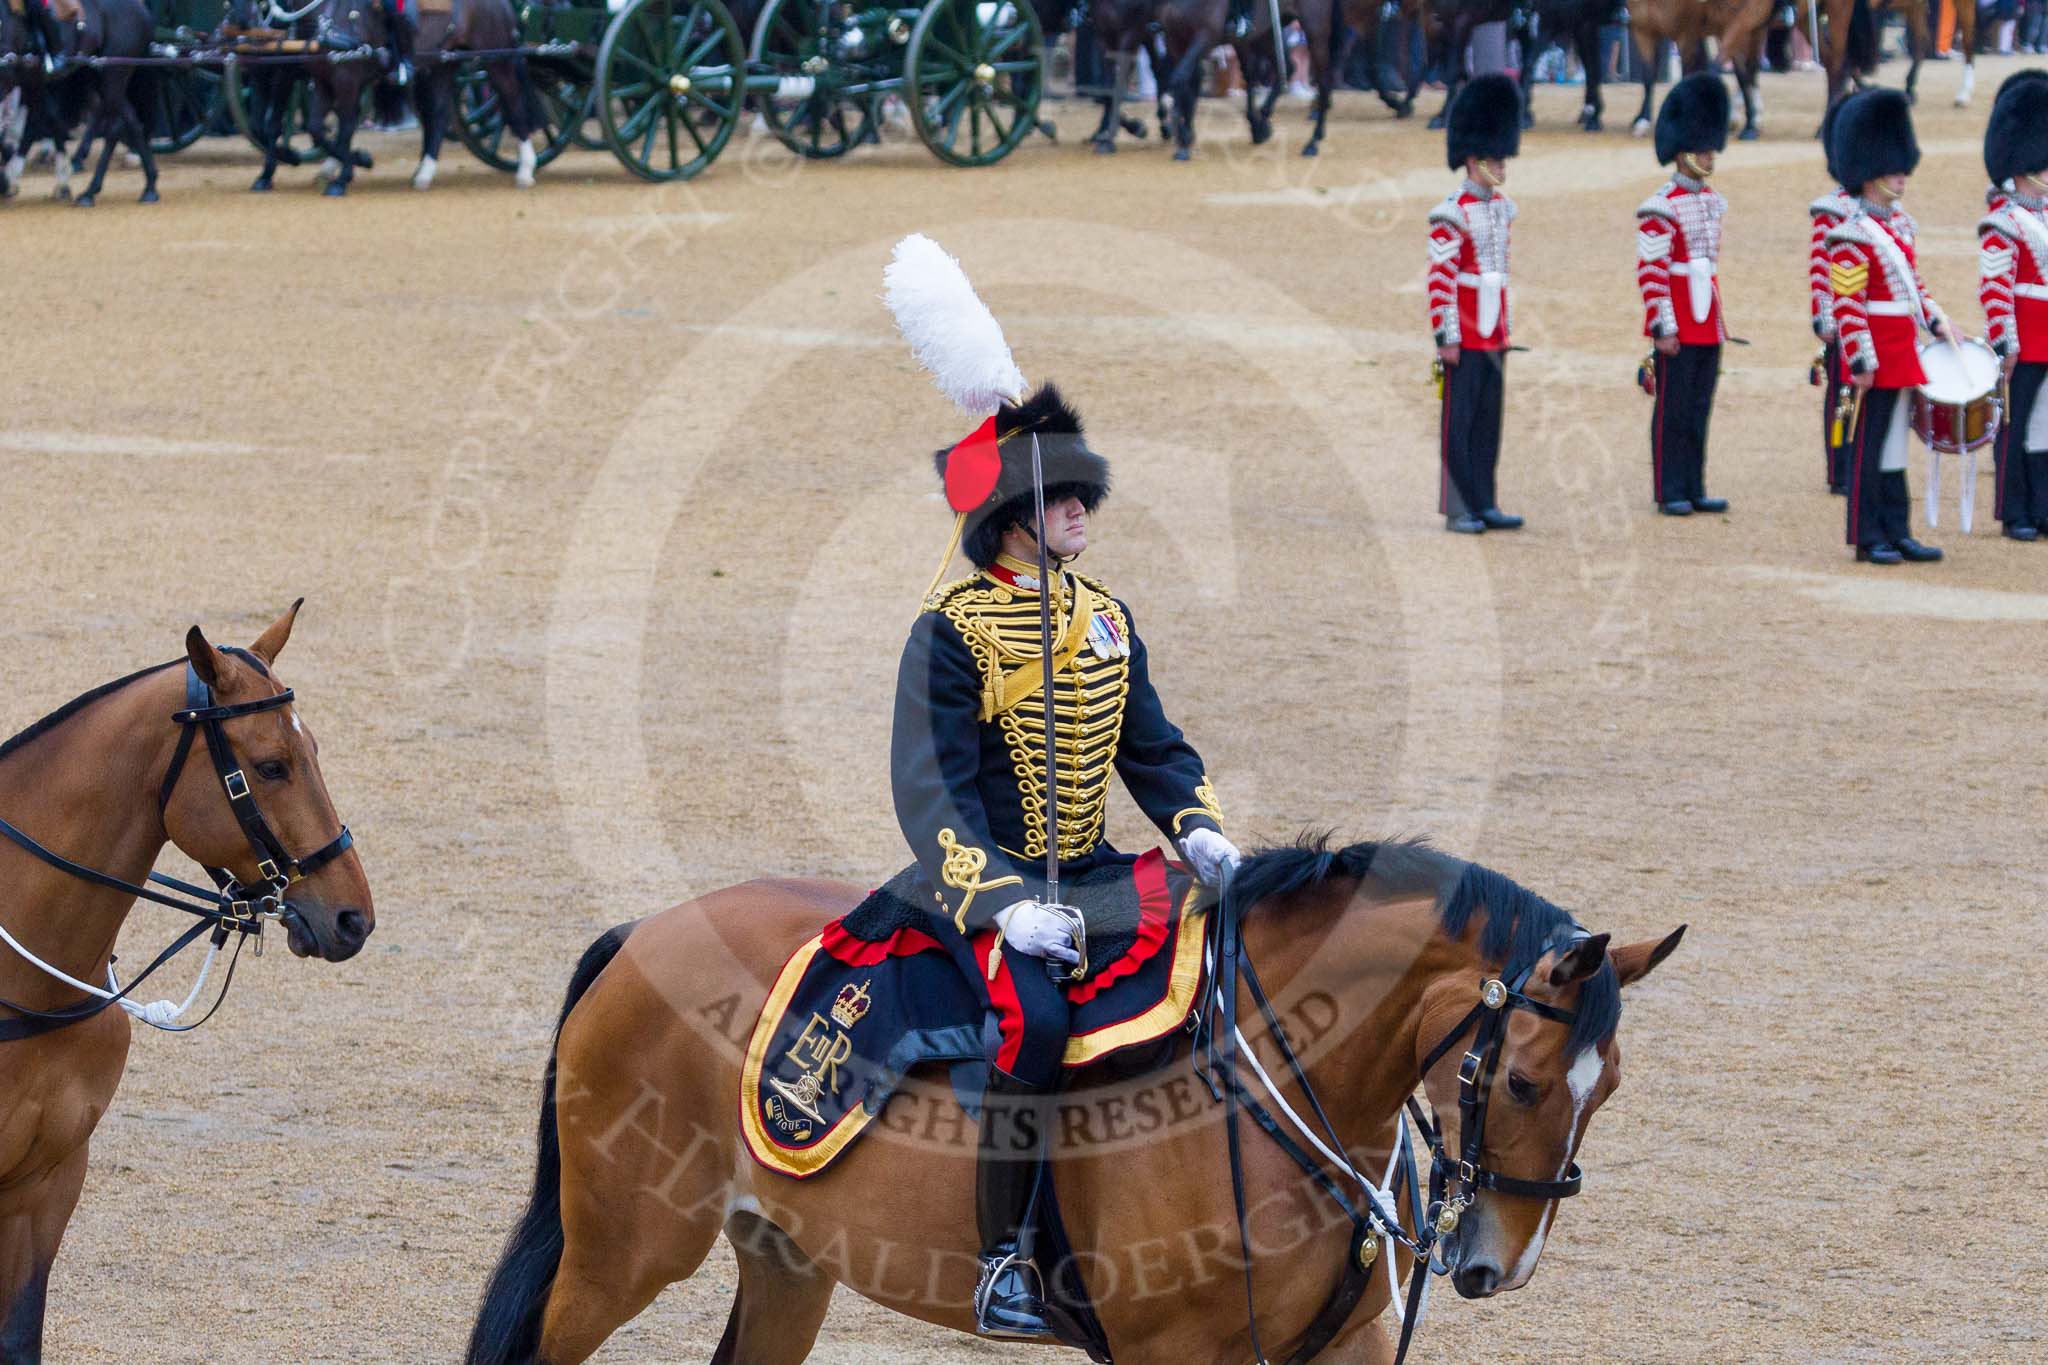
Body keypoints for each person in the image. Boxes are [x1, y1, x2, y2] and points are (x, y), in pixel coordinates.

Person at [891, 386, 1240, 1338]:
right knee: (1035, 1022)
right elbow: (933, 795)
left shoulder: (1108, 616)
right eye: (1059, 497)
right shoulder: (953, 631)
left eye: (1084, 493)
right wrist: (1001, 905)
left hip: (1090, 869)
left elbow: (1154, 749)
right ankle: (1004, 1254)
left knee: (1223, 958)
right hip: (986, 884)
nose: (1081, 507)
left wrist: (1196, 824)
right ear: (1008, 518)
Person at [1827, 89, 1958, 564]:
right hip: (1875, 351)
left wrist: (1938, 318)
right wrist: (1860, 359)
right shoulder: (1849, 236)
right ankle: (1868, 533)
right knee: (1869, 443)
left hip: (1902, 346)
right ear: (1870, 173)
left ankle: (1897, 528)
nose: (1904, 175)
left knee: (1895, 447)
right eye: (1895, 168)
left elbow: (1913, 287)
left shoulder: (1901, 227)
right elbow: (1848, 304)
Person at [1427, 72, 1523, 534]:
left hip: (1493, 331)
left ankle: (1484, 501)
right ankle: (1458, 506)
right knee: (1459, 424)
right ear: (1473, 159)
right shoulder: (1451, 213)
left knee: (1488, 424)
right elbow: (1441, 280)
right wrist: (1446, 336)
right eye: (1495, 159)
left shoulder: (1501, 209)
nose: (1503, 167)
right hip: (1464, 332)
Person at [1636, 72, 1732, 516]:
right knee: (1673, 410)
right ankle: (1668, 487)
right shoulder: (1661, 205)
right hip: (1678, 318)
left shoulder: (1712, 202)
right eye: (1703, 148)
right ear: (1683, 151)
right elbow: (1652, 272)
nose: (1710, 156)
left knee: (1698, 408)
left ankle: (1693, 484)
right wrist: (1662, 325)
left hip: (1706, 318)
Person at [1979, 71, 2048, 540]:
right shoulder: (2003, 222)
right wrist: (2006, 341)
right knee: (2015, 423)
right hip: (2024, 332)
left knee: (2045, 427)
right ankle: (2014, 509)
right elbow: (1995, 289)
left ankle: (2042, 506)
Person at [1812, 92, 1870, 495]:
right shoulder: (1832, 209)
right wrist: (1826, 315)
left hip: (1875, 314)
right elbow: (1821, 267)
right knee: (1842, 393)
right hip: (1845, 313)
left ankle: (1859, 462)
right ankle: (1839, 466)